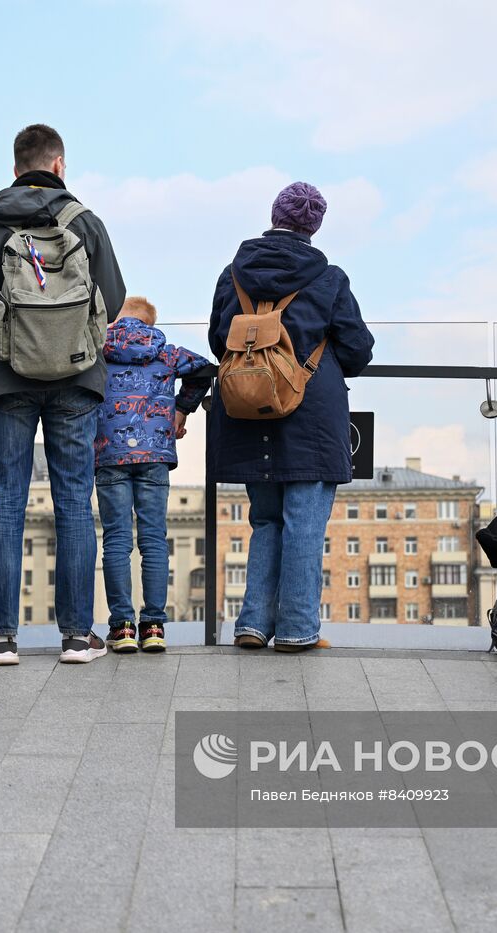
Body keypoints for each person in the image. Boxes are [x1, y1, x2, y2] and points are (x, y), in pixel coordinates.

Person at [0, 124, 126, 665]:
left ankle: (1, 638)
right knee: (73, 502)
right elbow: (113, 299)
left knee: (6, 502)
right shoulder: (84, 221)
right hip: (76, 378)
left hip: (6, 379)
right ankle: (77, 637)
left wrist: (13, 321)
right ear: (59, 165)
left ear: (15, 168)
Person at [208, 182, 374, 652]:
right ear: (314, 226)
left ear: (274, 215)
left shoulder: (233, 274)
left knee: (265, 520)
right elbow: (357, 350)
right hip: (311, 418)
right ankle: (298, 629)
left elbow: (219, 340)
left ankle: (252, 624)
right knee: (305, 523)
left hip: (247, 406)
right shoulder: (330, 278)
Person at [96, 296, 212, 653]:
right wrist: (182, 409)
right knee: (154, 540)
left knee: (117, 540)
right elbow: (204, 369)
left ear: (116, 320)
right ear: (150, 323)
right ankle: (154, 627)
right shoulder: (167, 351)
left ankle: (122, 627)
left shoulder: (98, 348)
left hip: (110, 454)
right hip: (155, 454)